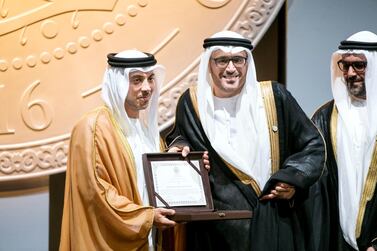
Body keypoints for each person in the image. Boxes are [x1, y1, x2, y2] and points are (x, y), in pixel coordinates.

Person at [165, 30, 325, 251]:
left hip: (272, 223)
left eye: (238, 60)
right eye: (221, 60)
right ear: (209, 63)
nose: (230, 68)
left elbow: (312, 145)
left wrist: (291, 181)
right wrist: (180, 150)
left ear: (247, 62)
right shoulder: (192, 103)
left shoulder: (273, 97)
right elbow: (180, 137)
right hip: (214, 233)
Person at [59, 50, 178, 251]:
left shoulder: (146, 131)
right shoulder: (92, 127)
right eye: (137, 80)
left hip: (148, 239)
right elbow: (96, 193)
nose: (147, 88)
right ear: (118, 83)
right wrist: (146, 217)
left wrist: (174, 165)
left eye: (150, 79)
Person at [311, 31, 377, 251]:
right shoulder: (325, 117)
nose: (350, 73)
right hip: (335, 240)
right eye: (345, 65)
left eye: (359, 65)